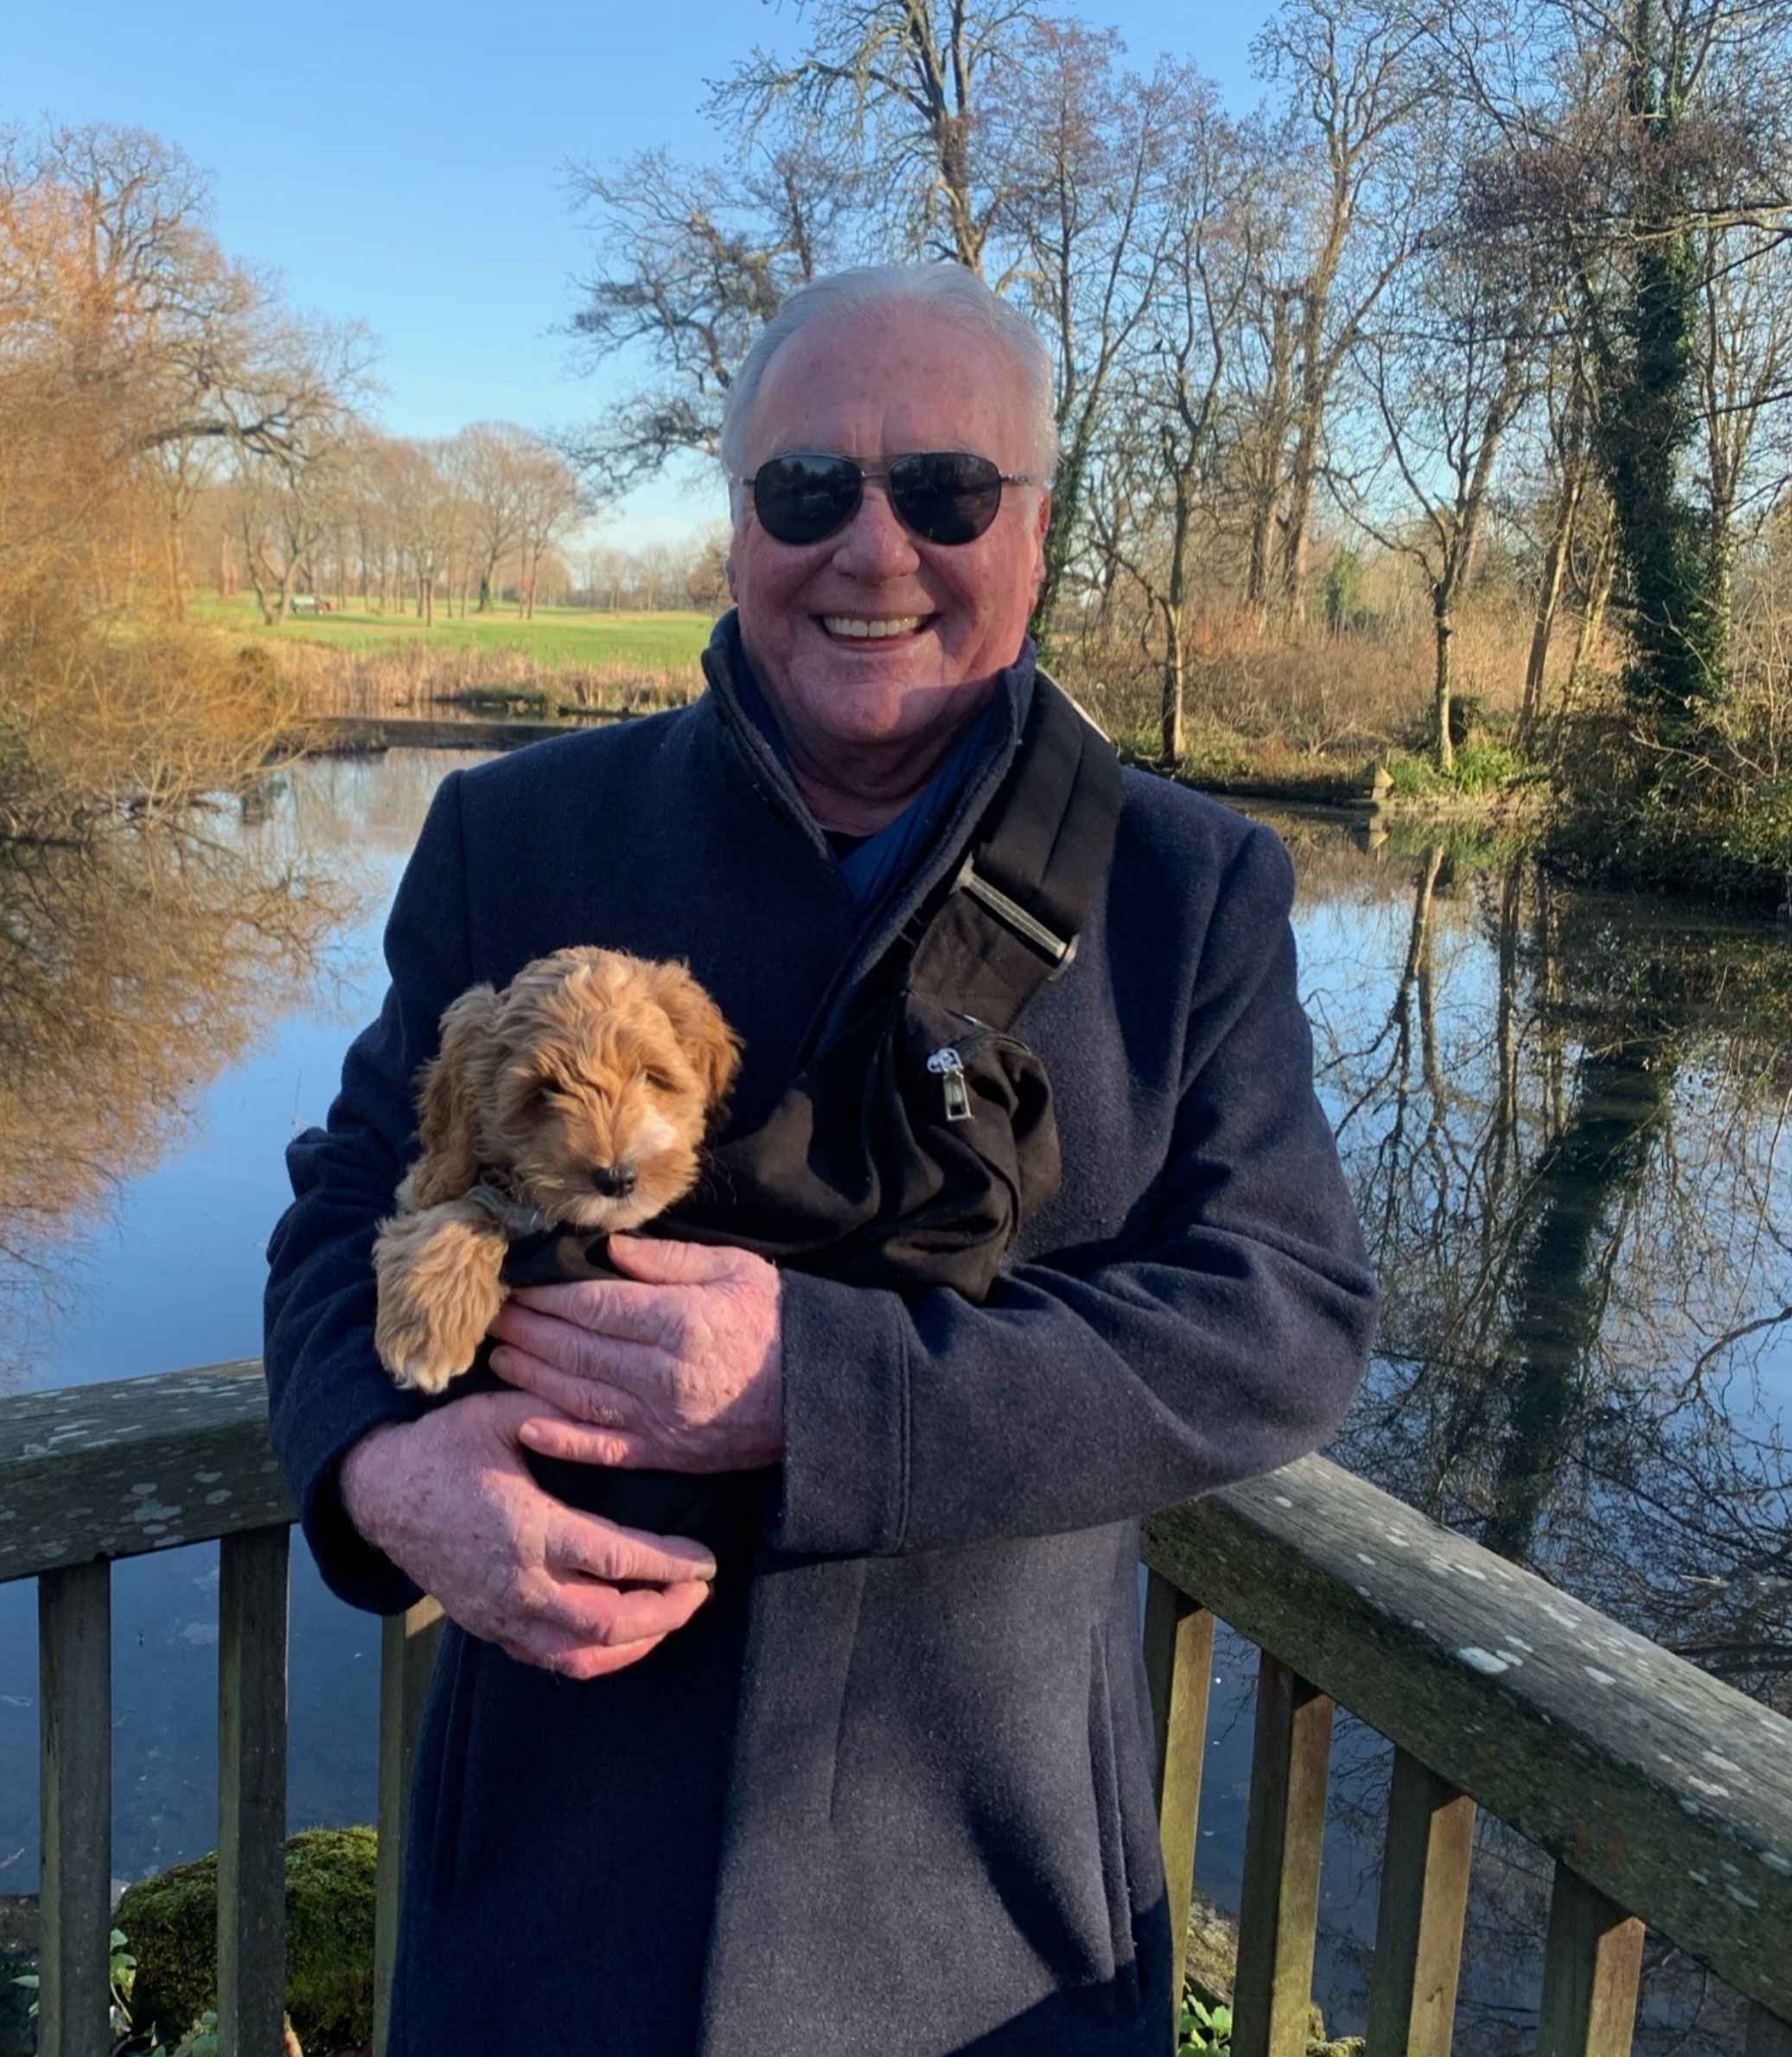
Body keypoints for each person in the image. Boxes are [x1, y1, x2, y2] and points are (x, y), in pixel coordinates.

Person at [264, 263, 1378, 2056]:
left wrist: (827, 1388)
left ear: (1028, 527)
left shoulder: (1189, 890)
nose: (872, 550)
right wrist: (382, 1465)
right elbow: (342, 1203)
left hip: (990, 1915)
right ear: (734, 527)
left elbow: (1283, 1320)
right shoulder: (513, 830)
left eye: (942, 489)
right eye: (807, 491)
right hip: (549, 1878)